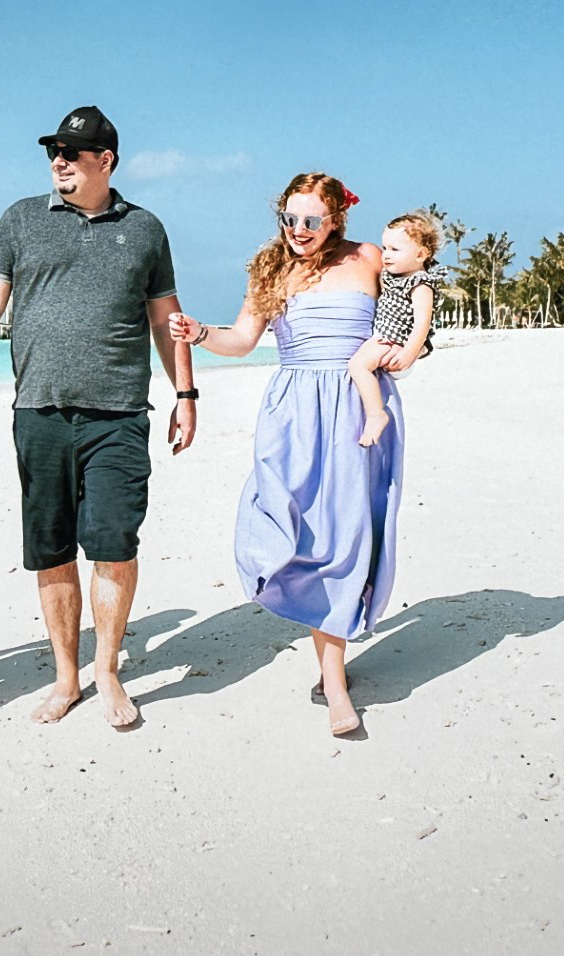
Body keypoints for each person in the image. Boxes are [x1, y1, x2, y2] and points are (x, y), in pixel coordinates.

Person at [0, 106, 196, 729]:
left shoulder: (145, 229)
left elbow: (166, 317)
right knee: (50, 548)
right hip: (40, 412)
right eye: (53, 150)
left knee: (113, 543)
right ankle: (65, 676)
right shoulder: (20, 219)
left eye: (72, 152)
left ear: (105, 161)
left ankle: (107, 670)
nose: (59, 159)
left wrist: (185, 396)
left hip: (118, 414)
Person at [168, 172, 402, 736]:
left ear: (336, 219)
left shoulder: (369, 258)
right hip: (292, 412)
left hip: (355, 410)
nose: (298, 231)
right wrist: (200, 333)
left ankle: (335, 681)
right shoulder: (270, 269)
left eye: (311, 221)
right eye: (289, 220)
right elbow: (242, 341)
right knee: (287, 524)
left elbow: (410, 311)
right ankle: (302, 612)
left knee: (343, 535)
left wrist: (410, 349)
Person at [347, 211, 444, 447]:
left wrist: (409, 353)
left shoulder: (420, 283)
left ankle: (375, 414)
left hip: (396, 341)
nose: (386, 255)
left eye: (395, 250)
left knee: (357, 366)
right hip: (386, 337)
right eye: (385, 248)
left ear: (421, 254)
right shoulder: (392, 276)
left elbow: (423, 323)